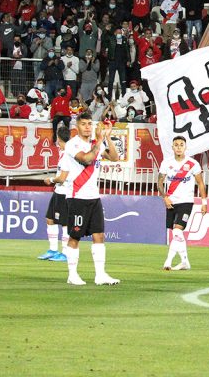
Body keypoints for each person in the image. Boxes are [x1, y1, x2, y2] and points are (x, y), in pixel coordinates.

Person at [59, 112, 121, 286]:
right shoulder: (72, 145)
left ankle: (100, 275)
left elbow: (115, 158)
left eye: (89, 124)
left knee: (99, 235)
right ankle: (72, 274)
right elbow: (86, 159)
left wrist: (108, 137)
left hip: (94, 197)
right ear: (77, 126)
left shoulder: (96, 144)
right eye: (84, 124)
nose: (87, 127)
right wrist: (100, 141)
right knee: (75, 236)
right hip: (77, 197)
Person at [157, 136, 208, 271]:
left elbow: (201, 183)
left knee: (177, 230)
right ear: (172, 147)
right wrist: (165, 197)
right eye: (176, 145)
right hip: (171, 201)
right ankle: (185, 261)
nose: (179, 147)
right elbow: (159, 182)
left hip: (186, 201)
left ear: (185, 147)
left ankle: (168, 261)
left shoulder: (192, 164)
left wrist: (204, 202)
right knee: (176, 233)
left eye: (181, 145)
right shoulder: (166, 163)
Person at [38, 126, 72, 262]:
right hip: (58, 191)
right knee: (50, 219)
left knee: (64, 223)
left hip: (65, 192)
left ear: (58, 139)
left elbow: (63, 177)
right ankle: (52, 249)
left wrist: (50, 179)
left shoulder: (68, 154)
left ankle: (65, 253)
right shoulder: (63, 151)